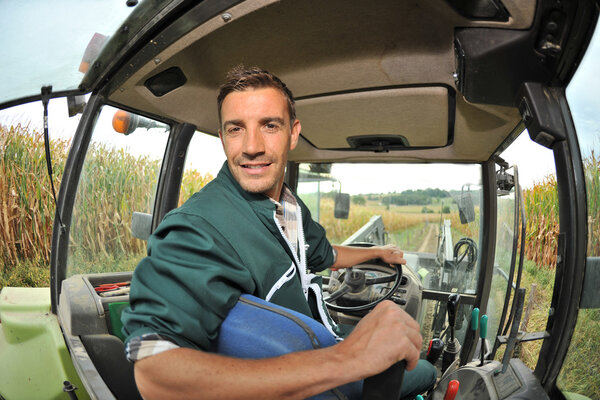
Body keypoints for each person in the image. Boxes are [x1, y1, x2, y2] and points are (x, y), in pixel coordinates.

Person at [121, 66, 436, 400]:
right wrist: (347, 359)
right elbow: (154, 374)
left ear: (293, 133)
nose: (252, 146)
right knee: (425, 369)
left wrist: (376, 254)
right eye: (236, 129)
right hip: (312, 366)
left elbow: (324, 254)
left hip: (318, 338)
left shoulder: (289, 206)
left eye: (269, 125)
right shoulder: (198, 227)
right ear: (223, 136)